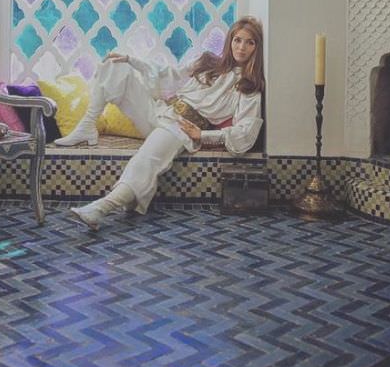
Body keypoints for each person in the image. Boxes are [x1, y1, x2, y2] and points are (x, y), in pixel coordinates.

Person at [55, 16, 265, 231]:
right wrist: (130, 59)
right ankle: (87, 126)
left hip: (181, 127)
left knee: (145, 159)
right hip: (161, 111)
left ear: (257, 48)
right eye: (237, 40)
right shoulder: (208, 63)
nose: (241, 47)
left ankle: (100, 208)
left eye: (250, 42)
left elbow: (245, 133)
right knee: (114, 65)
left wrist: (202, 135)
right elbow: (169, 75)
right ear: (230, 40)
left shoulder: (249, 87)